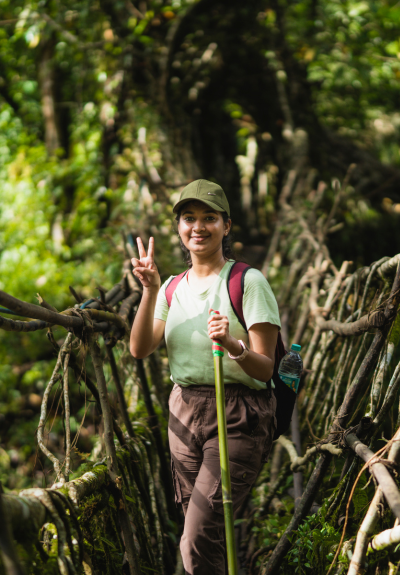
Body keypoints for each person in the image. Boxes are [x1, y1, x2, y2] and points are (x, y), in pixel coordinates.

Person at [130, 179, 281, 575]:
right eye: (189, 218)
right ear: (179, 226)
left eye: (209, 218)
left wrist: (233, 345)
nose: (198, 227)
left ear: (226, 226)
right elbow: (140, 348)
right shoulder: (170, 287)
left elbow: (267, 368)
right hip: (184, 412)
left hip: (239, 414)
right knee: (204, 537)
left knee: (196, 538)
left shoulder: (248, 282)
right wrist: (148, 290)